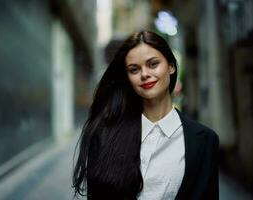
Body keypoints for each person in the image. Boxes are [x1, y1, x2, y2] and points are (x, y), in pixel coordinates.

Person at [73, 30, 219, 200]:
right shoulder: (105, 133)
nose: (144, 74)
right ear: (127, 77)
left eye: (153, 64)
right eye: (134, 69)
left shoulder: (204, 140)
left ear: (171, 66)